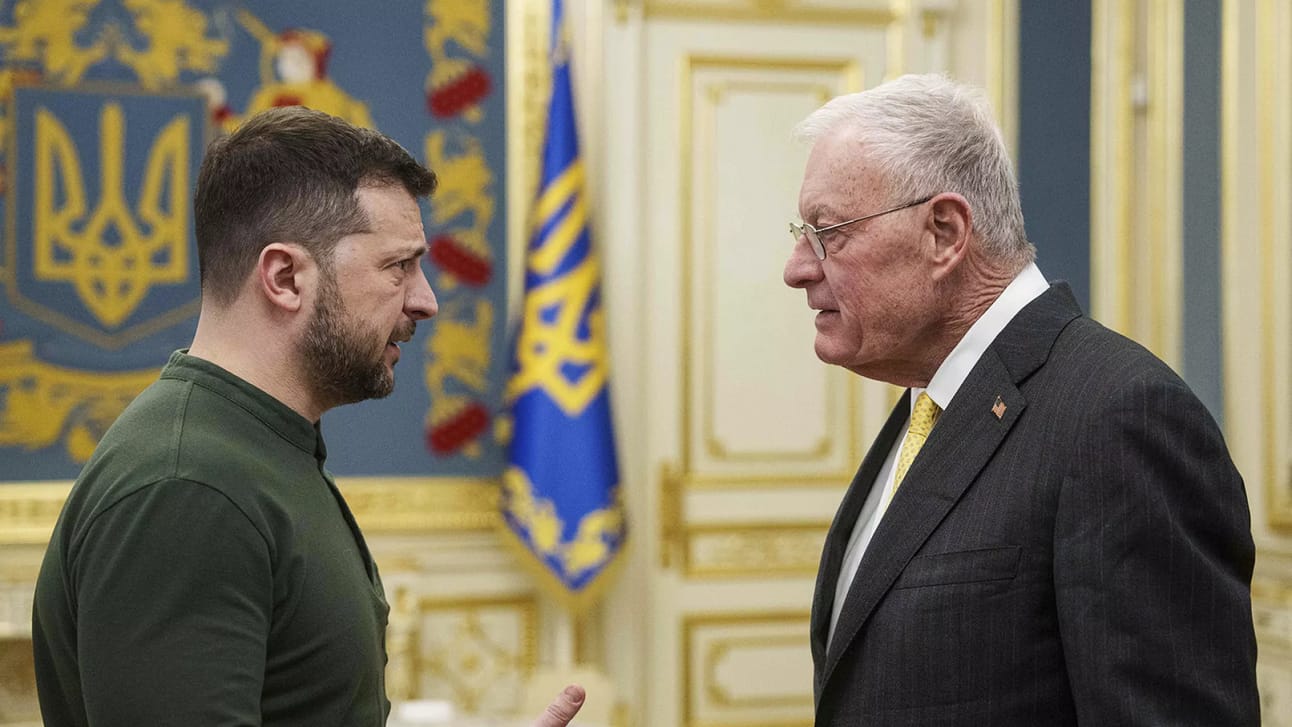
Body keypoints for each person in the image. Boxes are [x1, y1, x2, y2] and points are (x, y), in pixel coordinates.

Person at [32, 106, 585, 727]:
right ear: (286, 277)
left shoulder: (253, 448)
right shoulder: (189, 488)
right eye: (398, 266)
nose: (425, 300)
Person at [784, 74, 1259, 725]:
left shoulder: (1121, 419)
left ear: (944, 232)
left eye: (828, 233)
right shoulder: (930, 400)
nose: (797, 268)